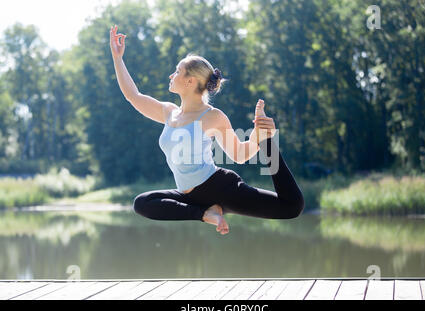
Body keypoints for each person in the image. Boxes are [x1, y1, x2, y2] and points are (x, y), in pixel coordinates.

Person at [110, 25, 304, 235]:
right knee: (143, 203)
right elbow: (133, 95)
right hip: (190, 197)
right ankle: (205, 214)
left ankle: (267, 142)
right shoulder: (169, 112)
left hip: (219, 187)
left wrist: (260, 137)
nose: (171, 75)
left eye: (177, 71)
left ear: (190, 81)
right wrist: (118, 58)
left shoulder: (212, 116)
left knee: (291, 207)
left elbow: (238, 155)